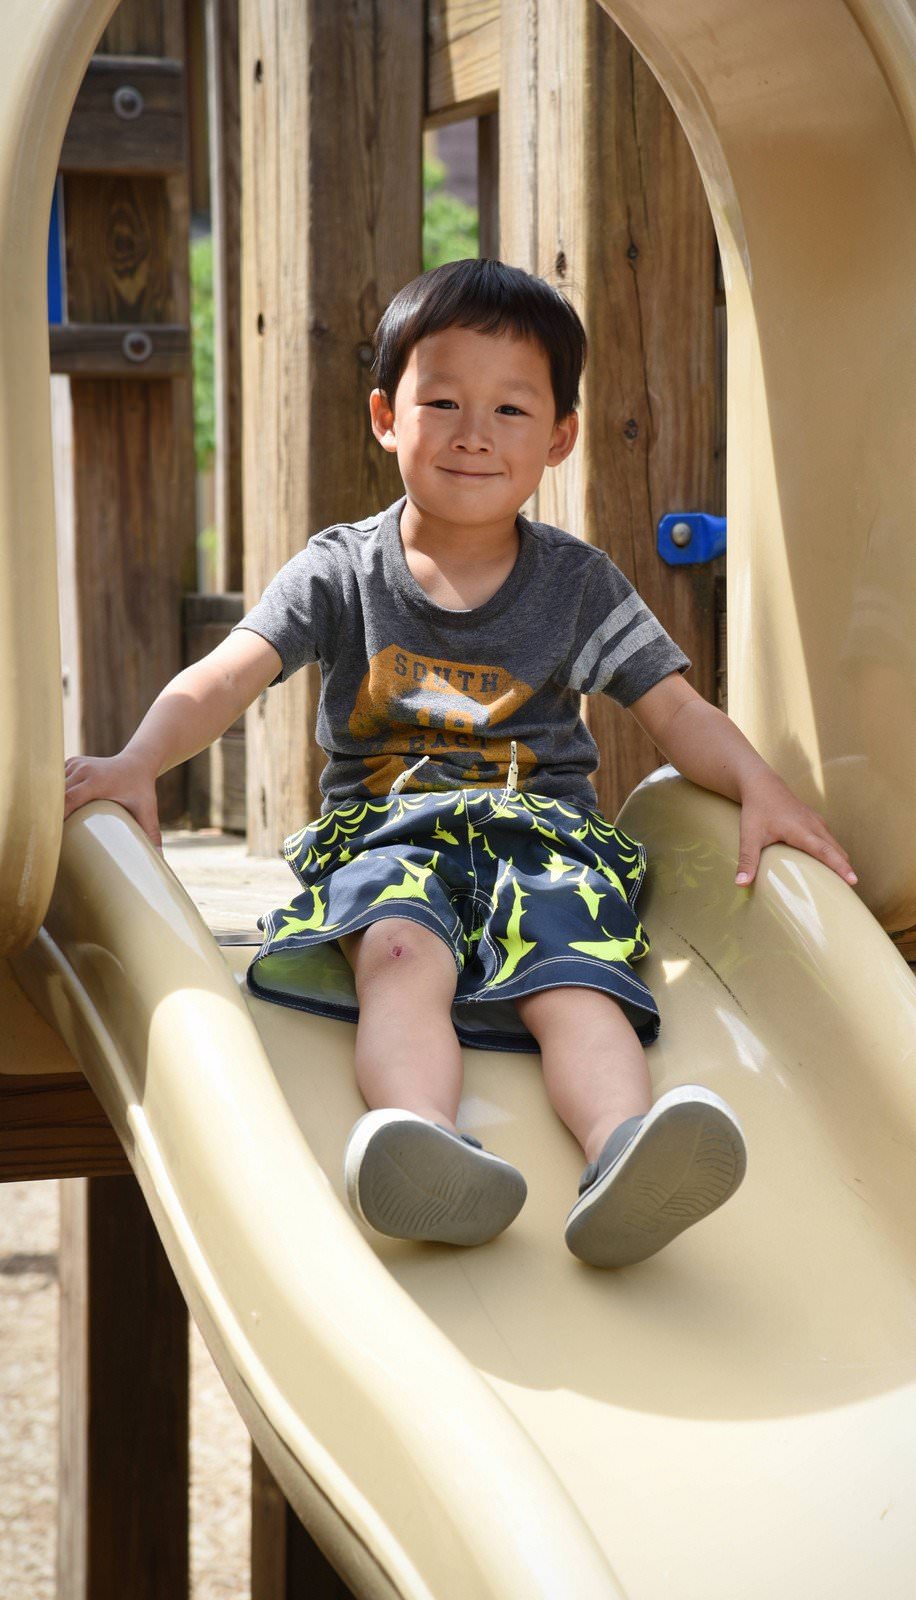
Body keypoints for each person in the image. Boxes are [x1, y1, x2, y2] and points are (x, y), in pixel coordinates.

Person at [64, 259, 857, 1269]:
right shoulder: (342, 571)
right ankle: (422, 1142)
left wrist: (759, 786)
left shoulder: (577, 585)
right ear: (386, 417)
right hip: (388, 836)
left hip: (542, 841)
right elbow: (229, 673)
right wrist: (140, 758)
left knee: (577, 979)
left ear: (558, 437)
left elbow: (677, 711)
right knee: (399, 957)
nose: (474, 433)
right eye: (442, 402)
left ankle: (624, 1152)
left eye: (511, 409)